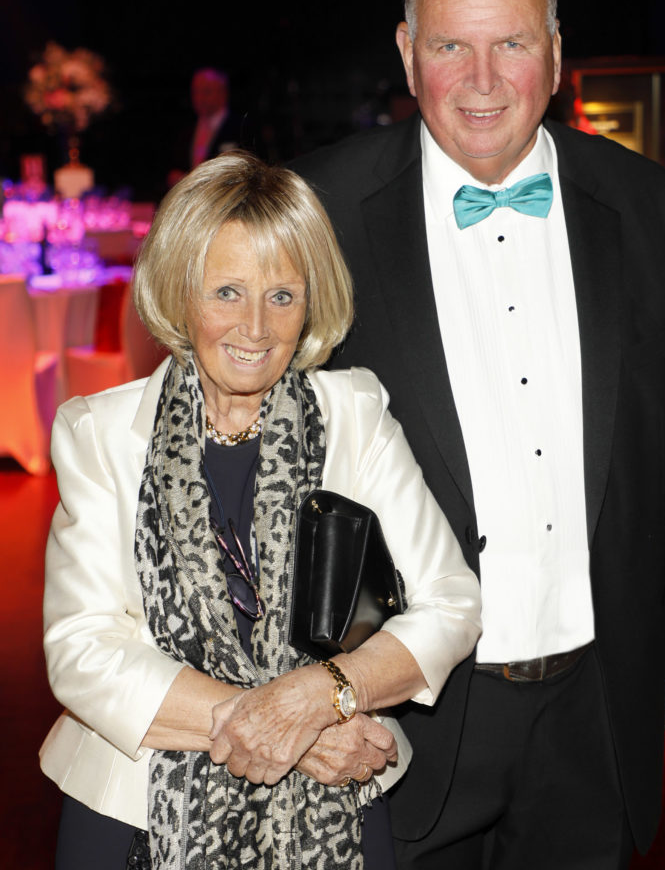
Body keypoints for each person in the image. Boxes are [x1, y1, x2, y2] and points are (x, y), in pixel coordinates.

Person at [291, 0, 665, 869]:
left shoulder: (647, 204)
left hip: (597, 697)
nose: (483, 80)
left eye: (512, 43)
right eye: (450, 45)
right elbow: (272, 458)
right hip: (403, 704)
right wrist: (310, 687)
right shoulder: (320, 210)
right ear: (407, 54)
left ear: (556, 52)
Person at [40, 152, 482, 870]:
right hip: (135, 806)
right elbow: (83, 650)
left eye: (282, 296)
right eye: (227, 292)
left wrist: (321, 696)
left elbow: (451, 604)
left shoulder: (355, 412)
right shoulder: (99, 431)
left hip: (336, 806)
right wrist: (294, 731)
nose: (255, 326)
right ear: (179, 292)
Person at [167, 67, 242, 187]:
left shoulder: (241, 127)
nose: (199, 98)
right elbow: (176, 167)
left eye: (206, 91)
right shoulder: (186, 130)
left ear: (222, 93)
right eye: (195, 92)